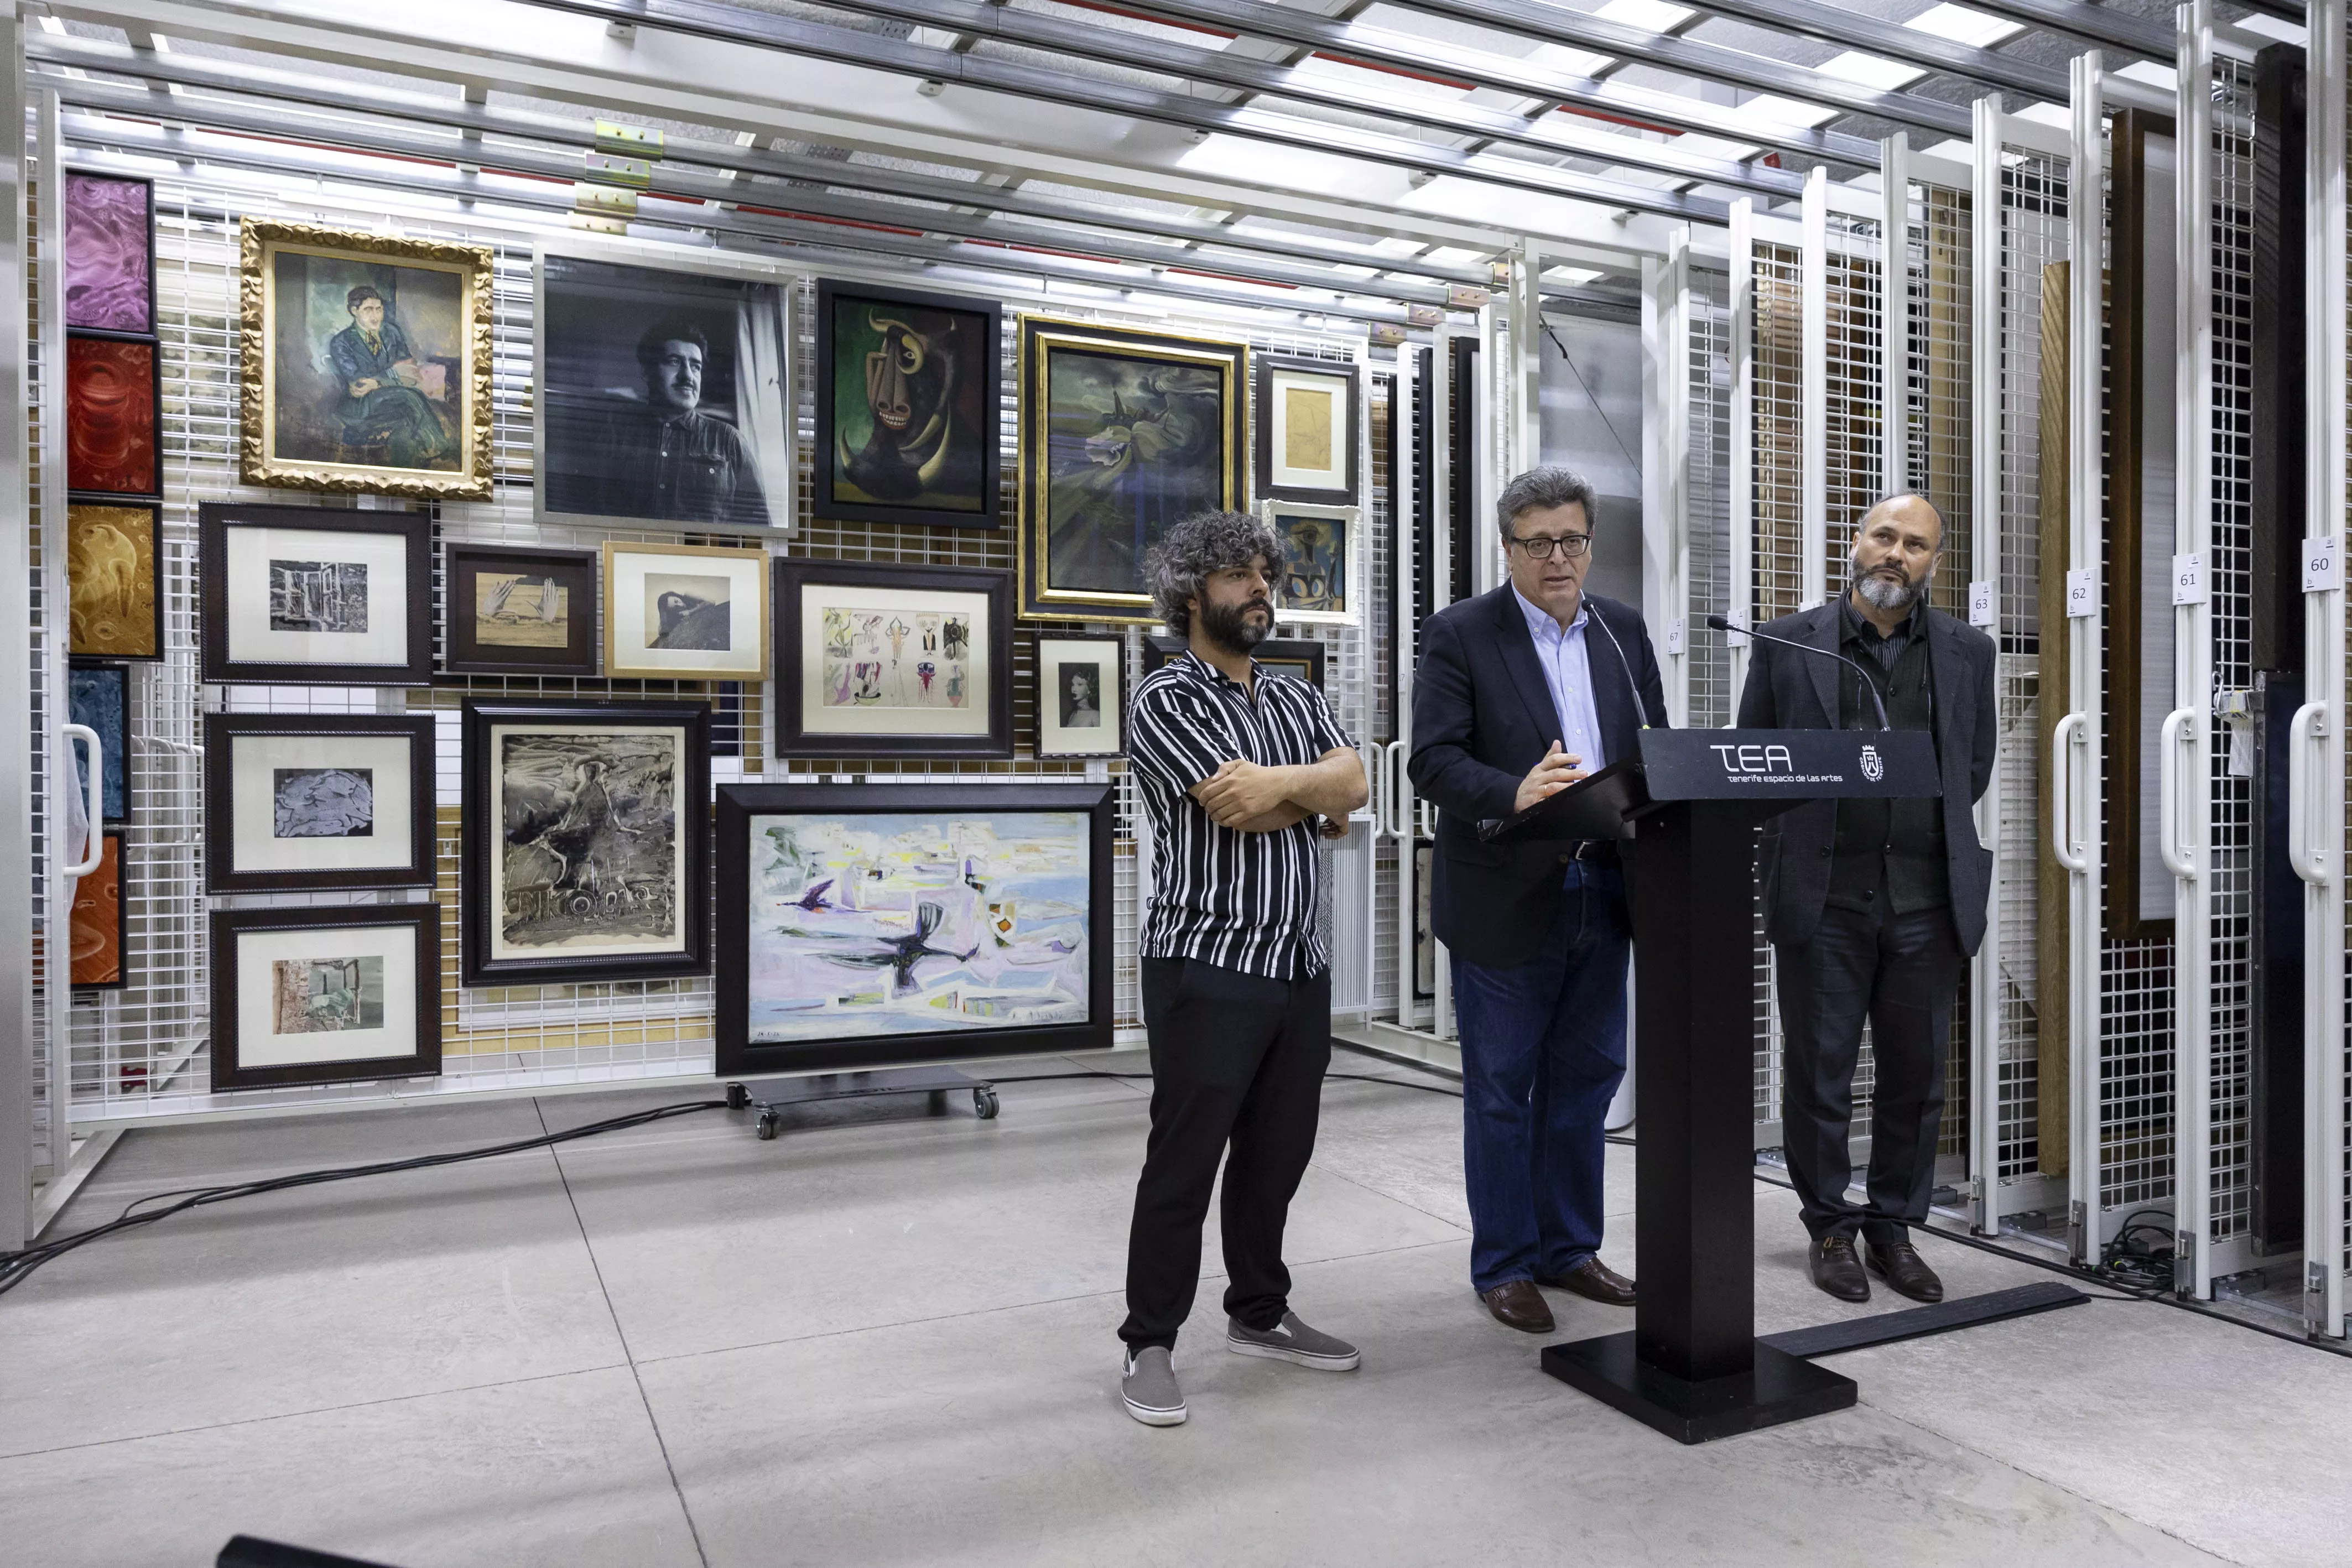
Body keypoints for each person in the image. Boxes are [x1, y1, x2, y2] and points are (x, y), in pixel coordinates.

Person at [1117, 508, 1370, 1428]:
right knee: (1183, 1162)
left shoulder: (1295, 695)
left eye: (1266, 575)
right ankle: (1148, 1341)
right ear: (1193, 597)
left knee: (1275, 1157)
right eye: (1241, 578)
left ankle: (1258, 1313)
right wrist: (1304, 793)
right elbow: (1242, 813)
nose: (1264, 590)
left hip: (1296, 965)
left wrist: (1288, 787)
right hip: (1206, 962)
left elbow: (1354, 785)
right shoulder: (1165, 701)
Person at [1408, 466, 1666, 1335]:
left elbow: (1654, 750)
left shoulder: (1623, 631)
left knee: (1587, 1081)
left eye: (1574, 539)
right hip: (1508, 890)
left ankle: (1570, 1247)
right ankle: (1506, 1262)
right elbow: (1433, 761)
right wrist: (1515, 791)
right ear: (1508, 546)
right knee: (1502, 1086)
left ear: (1591, 543)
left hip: (1606, 882)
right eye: (1538, 542)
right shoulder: (1461, 633)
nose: (1559, 558)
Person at [1735, 492, 1996, 1305]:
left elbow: (1974, 764)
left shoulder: (1966, 650)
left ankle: (1892, 1225)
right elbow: (1755, 757)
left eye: (1915, 544)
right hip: (1825, 896)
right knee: (1820, 1070)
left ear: (1934, 561)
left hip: (1927, 898)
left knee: (1915, 1075)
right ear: (1855, 541)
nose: (1896, 553)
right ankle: (1828, 1226)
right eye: (1885, 535)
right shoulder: (1787, 642)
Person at [557, 320, 768, 528]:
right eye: (674, 362)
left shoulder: (728, 441)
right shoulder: (612, 436)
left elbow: (758, 527)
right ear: (647, 372)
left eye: (696, 367)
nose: (688, 376)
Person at [326, 284, 454, 470]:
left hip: (394, 401)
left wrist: (378, 381)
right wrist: (394, 375)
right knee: (410, 397)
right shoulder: (341, 342)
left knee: (405, 432)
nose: (375, 316)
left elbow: (410, 373)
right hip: (361, 406)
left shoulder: (391, 332)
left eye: (379, 309)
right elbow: (360, 386)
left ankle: (409, 479)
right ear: (354, 311)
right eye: (368, 310)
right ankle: (443, 454)